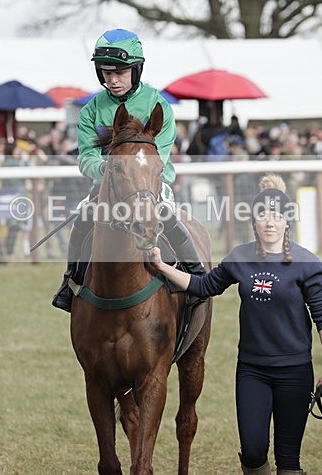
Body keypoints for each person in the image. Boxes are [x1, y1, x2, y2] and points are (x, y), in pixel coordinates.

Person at [149, 174, 322, 475]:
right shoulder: (240, 257)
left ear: (287, 222)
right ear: (253, 223)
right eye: (263, 216)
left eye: (277, 216)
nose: (269, 223)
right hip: (252, 371)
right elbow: (203, 286)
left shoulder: (307, 264)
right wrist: (162, 267)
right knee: (252, 452)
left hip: (294, 372)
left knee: (288, 458)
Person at [51, 28, 206, 312]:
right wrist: (108, 171)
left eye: (120, 73)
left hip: (151, 183)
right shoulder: (90, 111)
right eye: (106, 72)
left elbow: (160, 156)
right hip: (107, 186)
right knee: (82, 219)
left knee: (169, 217)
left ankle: (197, 277)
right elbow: (86, 159)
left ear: (135, 70)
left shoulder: (157, 104)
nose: (113, 80)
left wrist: (133, 174)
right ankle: (70, 281)